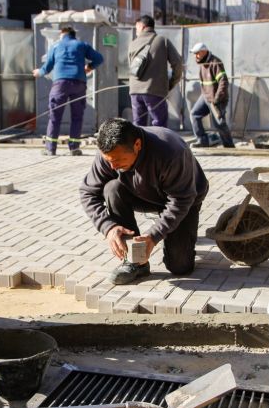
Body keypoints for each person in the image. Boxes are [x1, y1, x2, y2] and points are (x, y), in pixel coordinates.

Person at [79, 118, 208, 285]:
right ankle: (136, 262)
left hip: (185, 197)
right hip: (144, 193)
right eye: (108, 161)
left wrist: (154, 235)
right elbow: (88, 192)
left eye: (117, 161)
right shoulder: (109, 152)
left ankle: (176, 233)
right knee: (112, 188)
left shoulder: (171, 151)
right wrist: (108, 227)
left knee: (180, 267)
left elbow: (181, 200)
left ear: (137, 145)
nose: (112, 166)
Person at [33, 26, 104, 156]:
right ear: (73, 35)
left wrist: (39, 72)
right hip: (79, 84)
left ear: (62, 34)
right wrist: (89, 66)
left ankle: (50, 148)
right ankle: (74, 148)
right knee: (77, 117)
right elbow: (99, 58)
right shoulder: (82, 45)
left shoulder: (56, 46)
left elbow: (47, 67)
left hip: (60, 84)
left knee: (54, 116)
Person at [127, 15, 182, 128]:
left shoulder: (132, 43)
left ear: (142, 26)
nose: (136, 29)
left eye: (136, 27)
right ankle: (159, 145)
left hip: (135, 91)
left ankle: (141, 146)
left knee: (138, 125)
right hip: (155, 90)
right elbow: (178, 64)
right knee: (159, 124)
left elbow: (132, 67)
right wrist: (171, 83)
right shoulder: (162, 40)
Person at [189, 42, 234, 148]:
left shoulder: (215, 62)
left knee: (219, 123)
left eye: (197, 53)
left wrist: (217, 99)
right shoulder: (202, 63)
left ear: (204, 52)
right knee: (195, 114)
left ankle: (229, 146)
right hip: (205, 96)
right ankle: (202, 141)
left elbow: (223, 82)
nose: (196, 56)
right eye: (195, 54)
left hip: (217, 99)